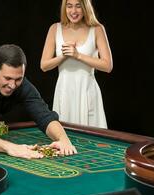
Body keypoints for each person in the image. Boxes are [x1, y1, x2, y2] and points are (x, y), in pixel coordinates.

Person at [40, 0, 113, 128]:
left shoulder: (97, 29)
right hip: (64, 91)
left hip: (87, 90)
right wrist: (63, 56)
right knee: (65, 140)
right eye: (69, 6)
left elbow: (107, 66)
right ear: (65, 8)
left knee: (92, 139)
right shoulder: (54, 29)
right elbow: (44, 66)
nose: (73, 11)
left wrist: (77, 55)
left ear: (85, 7)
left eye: (78, 6)